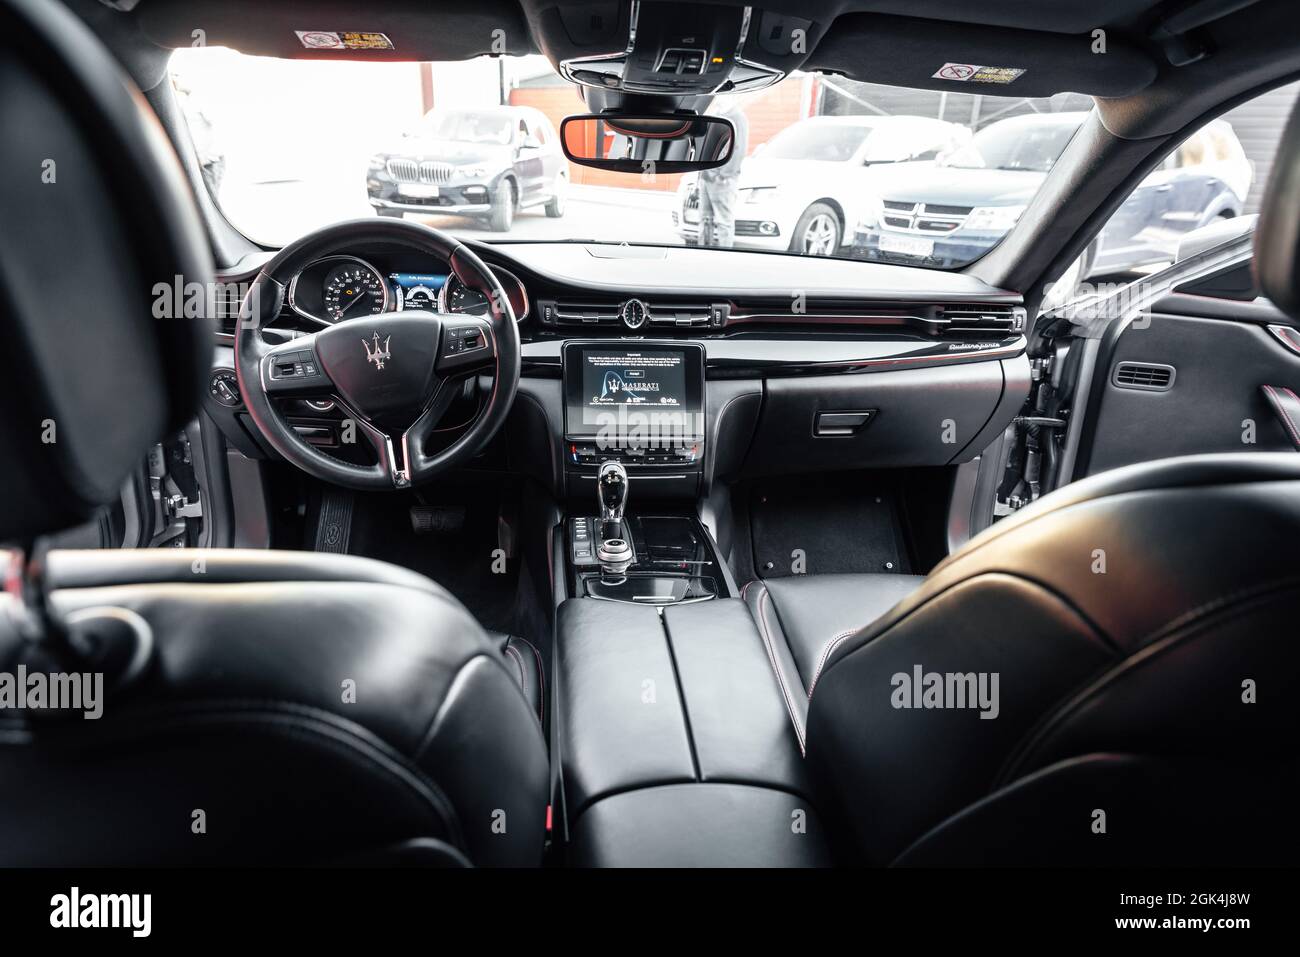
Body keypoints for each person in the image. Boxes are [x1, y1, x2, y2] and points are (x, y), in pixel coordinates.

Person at [697, 100, 748, 248]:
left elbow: (740, 148)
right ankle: (702, 253)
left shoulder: (738, 117)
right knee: (704, 219)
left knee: (723, 221)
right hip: (706, 177)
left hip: (722, 180)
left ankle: (724, 254)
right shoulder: (715, 114)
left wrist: (724, 175)